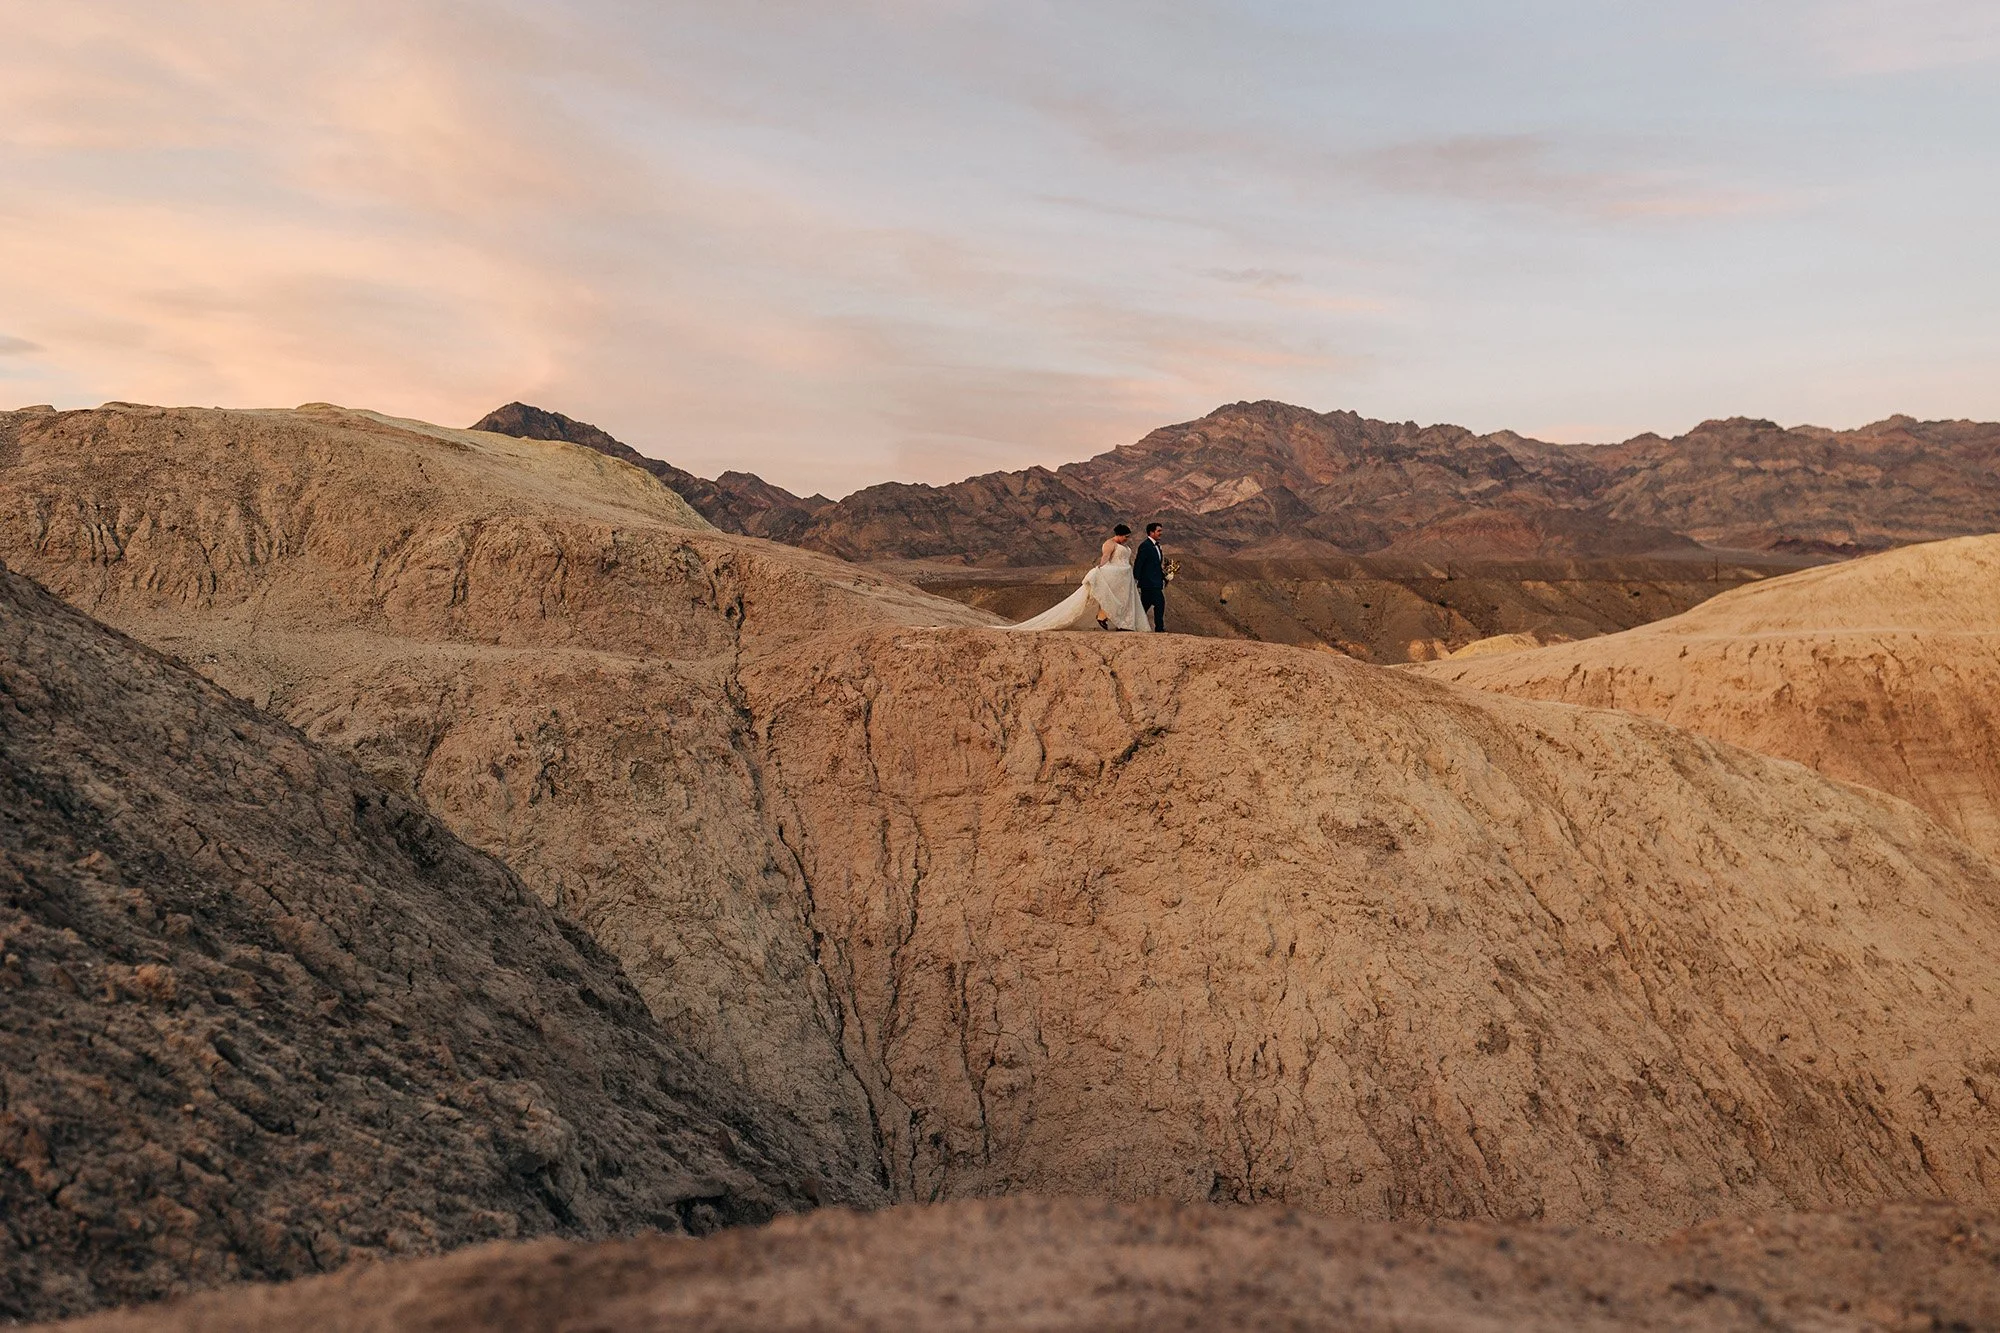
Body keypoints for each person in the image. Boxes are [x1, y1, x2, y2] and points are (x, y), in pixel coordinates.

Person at [1004, 524, 1153, 632]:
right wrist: (1099, 569)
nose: (1127, 539)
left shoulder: (1125, 547)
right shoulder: (1109, 544)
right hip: (1114, 573)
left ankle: (1124, 623)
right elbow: (1106, 557)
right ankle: (1103, 616)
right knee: (1111, 596)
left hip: (1124, 576)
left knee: (1124, 598)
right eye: (1125, 536)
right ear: (1119, 535)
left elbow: (1127, 560)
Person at [1132, 521, 1167, 632]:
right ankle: (1159, 628)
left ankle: (1132, 624)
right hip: (1148, 583)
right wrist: (1136, 579)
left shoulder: (1157, 546)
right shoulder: (1145, 546)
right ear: (1151, 532)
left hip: (1155, 582)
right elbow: (1139, 563)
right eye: (1158, 531)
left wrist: (1164, 577)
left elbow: (1156, 565)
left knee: (1144, 606)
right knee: (1159, 603)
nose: (1161, 533)